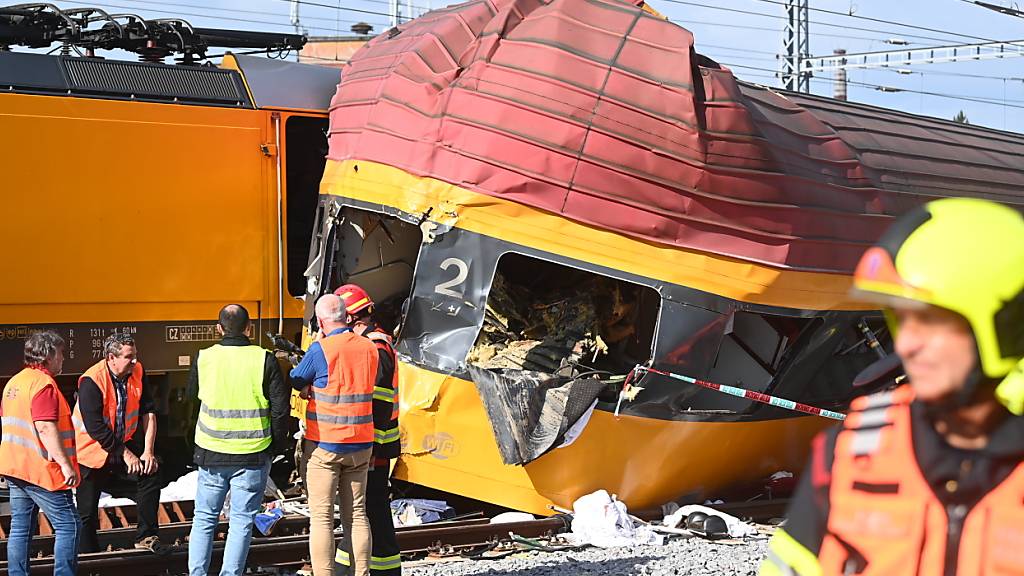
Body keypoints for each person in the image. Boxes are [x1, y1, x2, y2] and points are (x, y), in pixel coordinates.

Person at [761, 197, 1024, 576]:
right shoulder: (852, 455)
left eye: (930, 322)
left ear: (1005, 325)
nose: (907, 345)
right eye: (902, 321)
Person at [187, 304, 291, 576]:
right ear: (249, 328)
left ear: (218, 328)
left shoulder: (204, 357)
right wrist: (276, 446)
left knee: (204, 518)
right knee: (242, 521)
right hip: (253, 454)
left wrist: (195, 443)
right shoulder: (264, 359)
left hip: (211, 451)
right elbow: (280, 409)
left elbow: (189, 402)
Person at [290, 293, 379, 576]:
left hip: (325, 446)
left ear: (320, 321)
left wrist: (309, 387)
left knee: (322, 519)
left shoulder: (321, 349)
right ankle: (362, 573)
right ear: (346, 316)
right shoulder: (370, 347)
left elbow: (296, 378)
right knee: (357, 515)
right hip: (361, 444)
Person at [72, 332, 167, 554]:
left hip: (121, 442)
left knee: (150, 473)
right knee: (86, 512)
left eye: (135, 356)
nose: (134, 361)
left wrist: (148, 451)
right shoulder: (92, 381)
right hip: (91, 449)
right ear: (111, 358)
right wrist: (126, 454)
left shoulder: (137, 371)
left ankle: (146, 536)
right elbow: (96, 427)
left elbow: (148, 411)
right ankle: (89, 557)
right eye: (128, 357)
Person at [332, 285, 402, 576]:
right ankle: (346, 568)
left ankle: (385, 571)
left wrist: (370, 446)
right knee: (359, 511)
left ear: (350, 318)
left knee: (373, 510)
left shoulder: (376, 347)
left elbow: (380, 403)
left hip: (375, 447)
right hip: (367, 444)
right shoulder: (368, 343)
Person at [0, 331, 80, 576]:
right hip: (40, 470)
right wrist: (65, 465)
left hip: (15, 467)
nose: (63, 359)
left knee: (20, 528)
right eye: (61, 353)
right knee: (69, 525)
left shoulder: (14, 383)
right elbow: (45, 426)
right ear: (48, 355)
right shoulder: (43, 385)